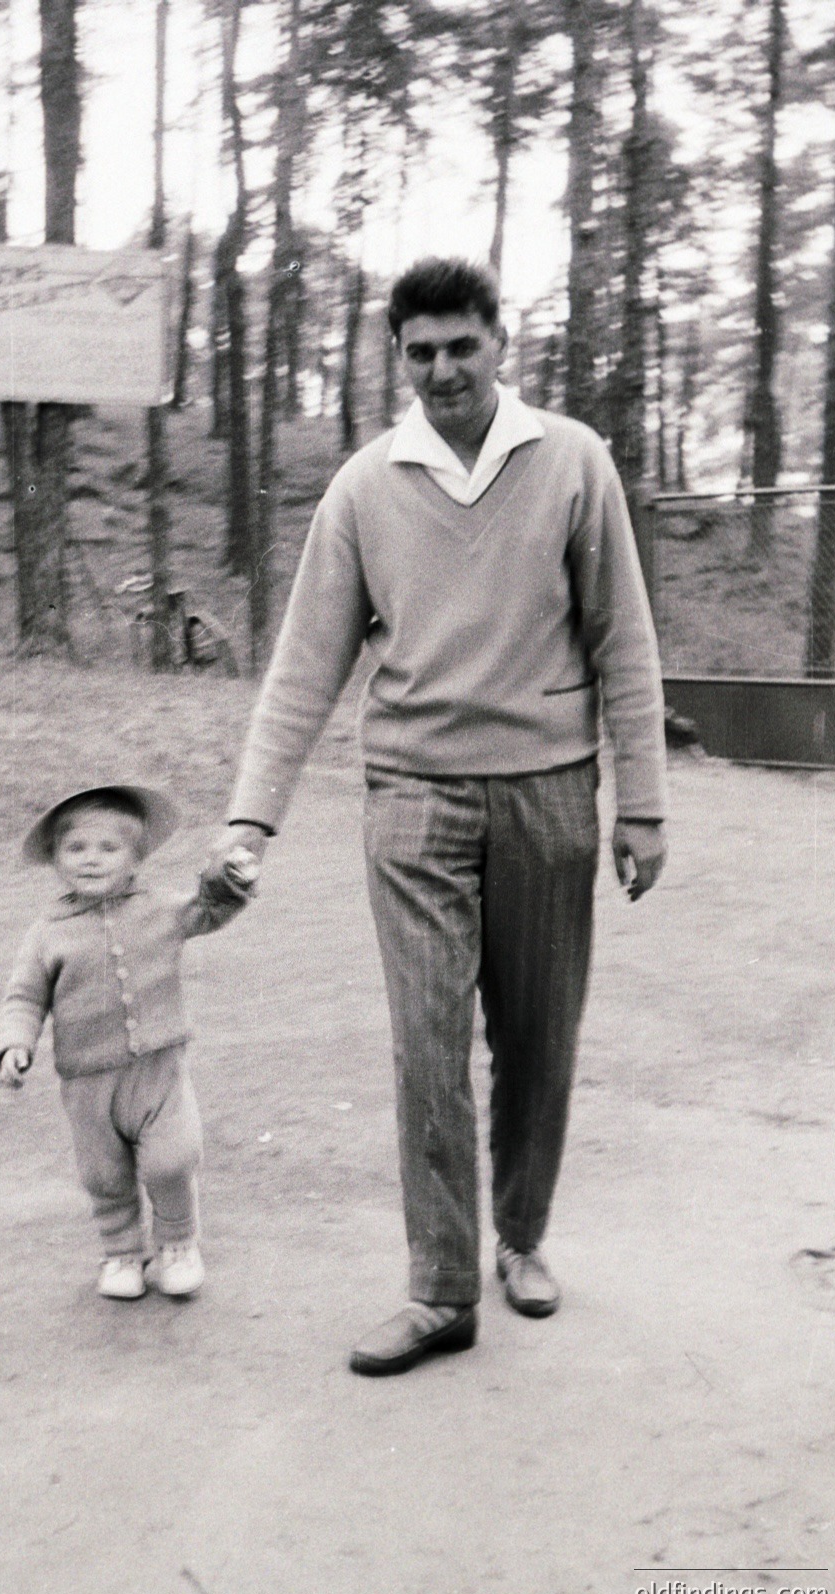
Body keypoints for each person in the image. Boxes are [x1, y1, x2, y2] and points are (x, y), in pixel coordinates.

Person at [206, 257, 668, 1375]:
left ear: (500, 343)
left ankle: (523, 1237)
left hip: (552, 793)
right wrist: (249, 819)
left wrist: (641, 805)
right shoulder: (368, 485)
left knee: (538, 1039)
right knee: (426, 1046)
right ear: (398, 359)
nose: (444, 369)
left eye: (463, 345)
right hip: (412, 794)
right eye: (421, 352)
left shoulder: (571, 461)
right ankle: (440, 1288)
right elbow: (306, 663)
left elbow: (624, 639)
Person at [0, 785, 258, 1301]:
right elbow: (24, 996)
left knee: (172, 1158)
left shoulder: (160, 908)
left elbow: (208, 909)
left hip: (159, 1067)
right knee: (104, 1173)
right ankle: (120, 1253)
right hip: (88, 1081)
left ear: (136, 858)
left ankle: (178, 1245)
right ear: (54, 859)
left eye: (108, 848)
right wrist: (14, 1043)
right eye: (75, 849)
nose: (90, 860)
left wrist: (227, 880)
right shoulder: (47, 933)